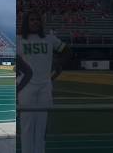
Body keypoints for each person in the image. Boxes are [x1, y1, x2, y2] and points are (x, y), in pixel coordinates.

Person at [18, 11, 70, 153]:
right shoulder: (19, 39)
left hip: (45, 87)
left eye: (37, 19)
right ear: (26, 22)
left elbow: (67, 51)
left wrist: (58, 65)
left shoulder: (49, 39)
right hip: (26, 87)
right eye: (32, 19)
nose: (35, 22)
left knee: (41, 127)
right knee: (27, 126)